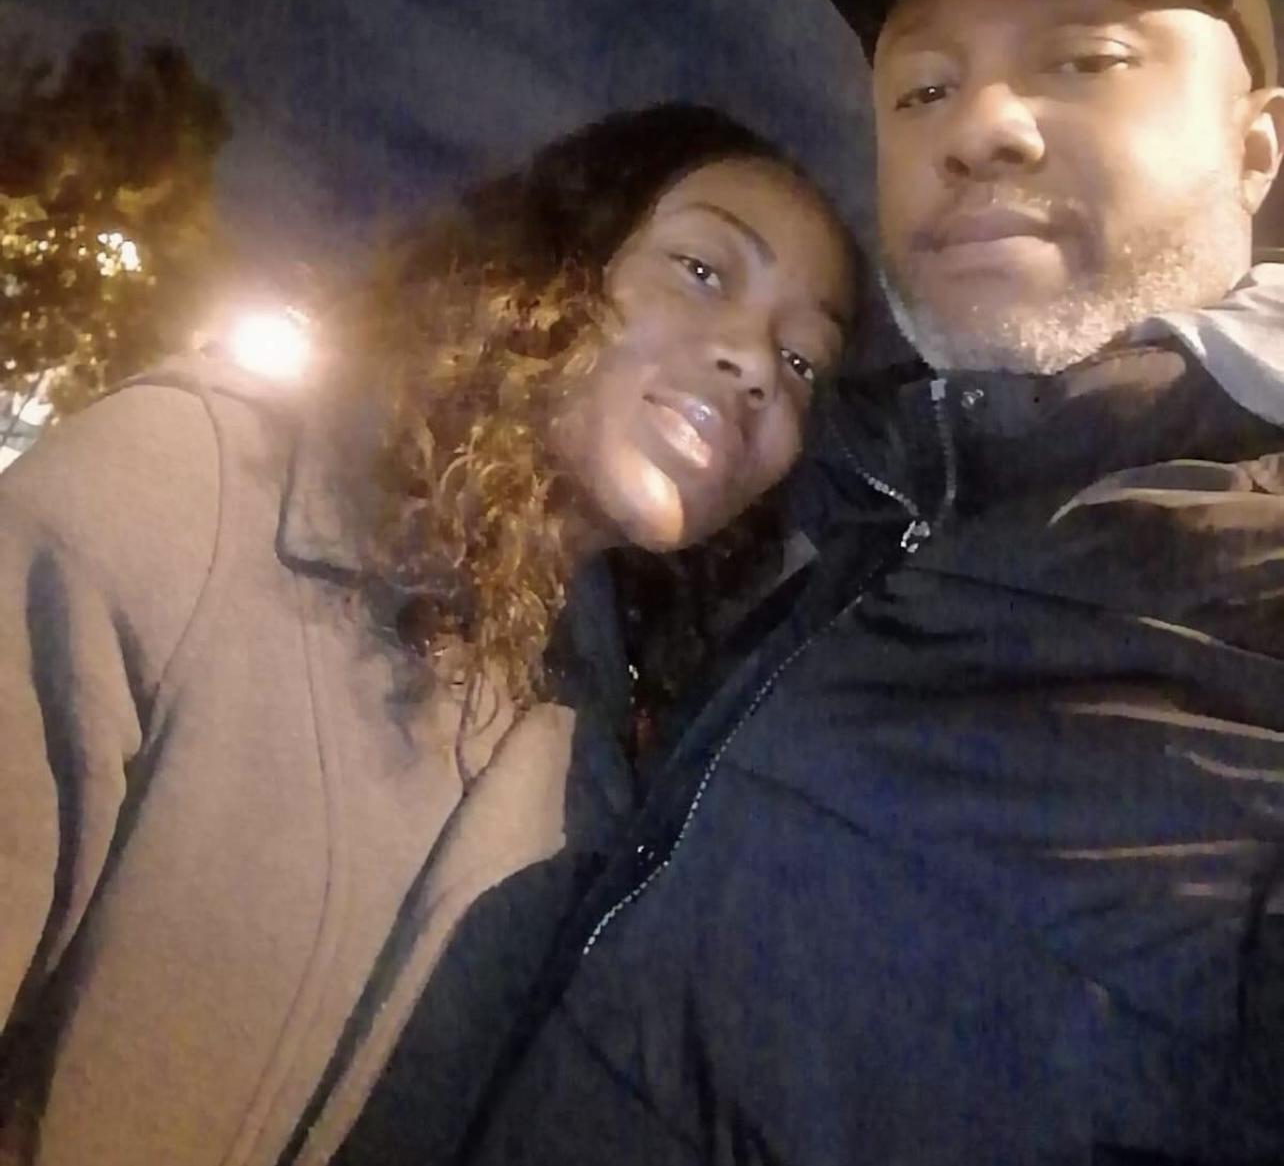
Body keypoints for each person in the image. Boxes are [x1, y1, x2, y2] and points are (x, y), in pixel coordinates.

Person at [458, 0, 1284, 1164]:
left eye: (1084, 58)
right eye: (922, 89)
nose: (983, 127)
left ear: (1255, 151)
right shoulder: (845, 522)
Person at [0, 101, 860, 1166]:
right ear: (561, 262)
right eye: (702, 269)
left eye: (805, 360)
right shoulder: (191, 486)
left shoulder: (614, 775)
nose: (757, 364)